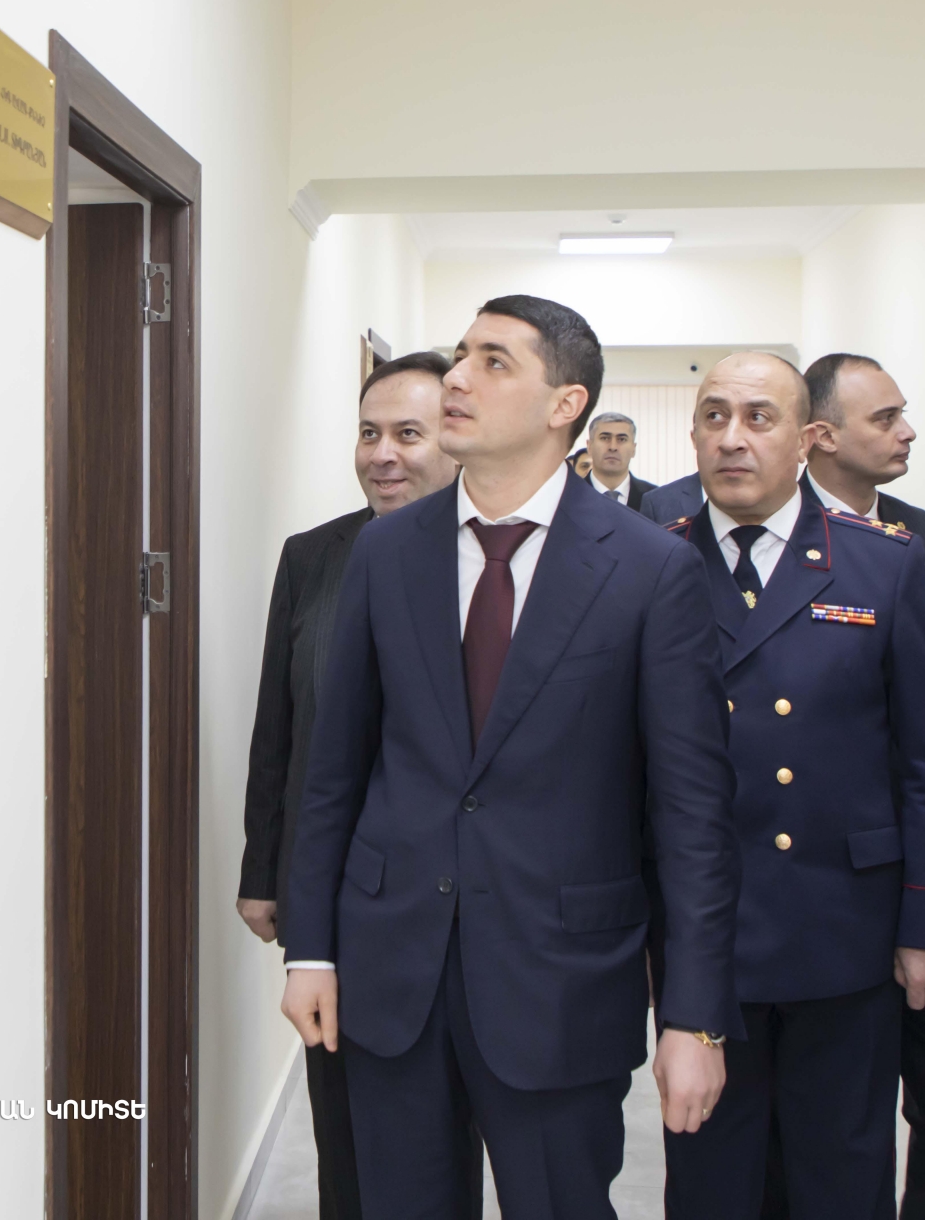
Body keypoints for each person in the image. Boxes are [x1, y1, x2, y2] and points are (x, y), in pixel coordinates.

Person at [282, 295, 742, 1220]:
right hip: (393, 971)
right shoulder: (387, 551)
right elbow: (334, 768)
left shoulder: (650, 569)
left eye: (493, 361)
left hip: (561, 982)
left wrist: (694, 1017)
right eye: (460, 355)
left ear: (565, 404)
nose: (456, 377)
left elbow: (692, 814)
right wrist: (312, 950)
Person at [656, 352, 925, 1219]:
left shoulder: (883, 564)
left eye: (759, 418)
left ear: (806, 439)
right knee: (713, 1182)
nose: (732, 438)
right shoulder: (653, 564)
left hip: (844, 927)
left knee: (842, 1176)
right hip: (707, 940)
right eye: (714, 417)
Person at [238, 351, 463, 1220]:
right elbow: (278, 724)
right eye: (369, 434)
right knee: (352, 1145)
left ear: (457, 440)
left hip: (463, 900)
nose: (383, 455)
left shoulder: (494, 561)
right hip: (336, 898)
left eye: (408, 433)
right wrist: (264, 871)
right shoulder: (315, 557)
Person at [802, 352, 925, 1220]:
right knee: (839, 1097)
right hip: (831, 864)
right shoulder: (772, 533)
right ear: (822, 435)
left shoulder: (919, 532)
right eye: (885, 418)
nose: (907, 432)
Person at [583, 411, 656, 509]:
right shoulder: (567, 494)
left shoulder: (655, 497)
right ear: (589, 446)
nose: (613, 447)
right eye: (605, 438)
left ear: (633, 449)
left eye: (622, 439)